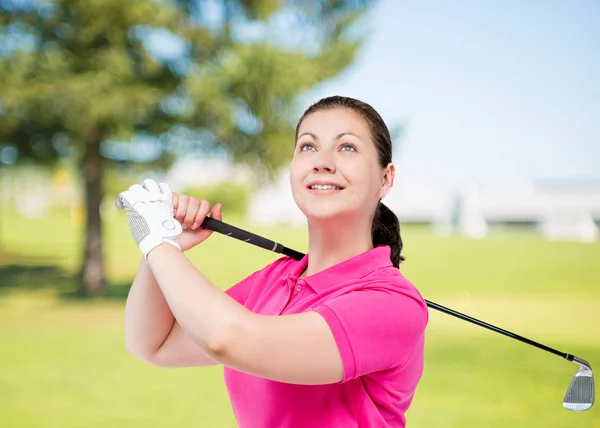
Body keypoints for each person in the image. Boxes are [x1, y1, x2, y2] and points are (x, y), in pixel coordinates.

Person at [118, 96, 429, 428]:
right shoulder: (274, 279)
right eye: (308, 147)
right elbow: (154, 345)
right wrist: (169, 247)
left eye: (347, 148)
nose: (322, 162)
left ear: (385, 178)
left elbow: (228, 338)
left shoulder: (392, 304)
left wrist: (157, 240)